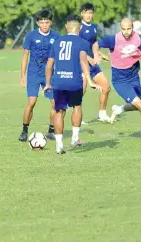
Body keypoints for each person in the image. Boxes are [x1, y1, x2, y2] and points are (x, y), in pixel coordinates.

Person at [44, 15, 102, 154]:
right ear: (80, 28)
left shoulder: (57, 42)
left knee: (59, 110)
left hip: (58, 81)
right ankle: (75, 139)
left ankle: (59, 145)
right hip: (74, 82)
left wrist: (47, 83)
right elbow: (83, 61)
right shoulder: (82, 43)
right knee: (77, 106)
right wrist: (90, 80)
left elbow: (49, 65)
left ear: (66, 27)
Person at [19, 8, 61, 142]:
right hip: (34, 73)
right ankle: (24, 131)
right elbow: (25, 56)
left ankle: (51, 130)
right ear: (37, 23)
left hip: (50, 74)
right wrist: (22, 76)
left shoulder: (56, 36)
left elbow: (60, 57)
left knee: (56, 103)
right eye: (42, 22)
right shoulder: (31, 36)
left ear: (51, 23)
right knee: (31, 102)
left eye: (47, 22)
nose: (44, 25)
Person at [78, 2, 111, 122]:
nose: (88, 15)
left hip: (93, 64)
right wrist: (88, 58)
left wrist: (100, 54)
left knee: (106, 87)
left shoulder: (94, 27)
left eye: (90, 13)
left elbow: (93, 45)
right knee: (81, 91)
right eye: (86, 13)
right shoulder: (78, 28)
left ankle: (102, 114)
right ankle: (78, 118)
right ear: (81, 13)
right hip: (81, 63)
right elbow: (76, 47)